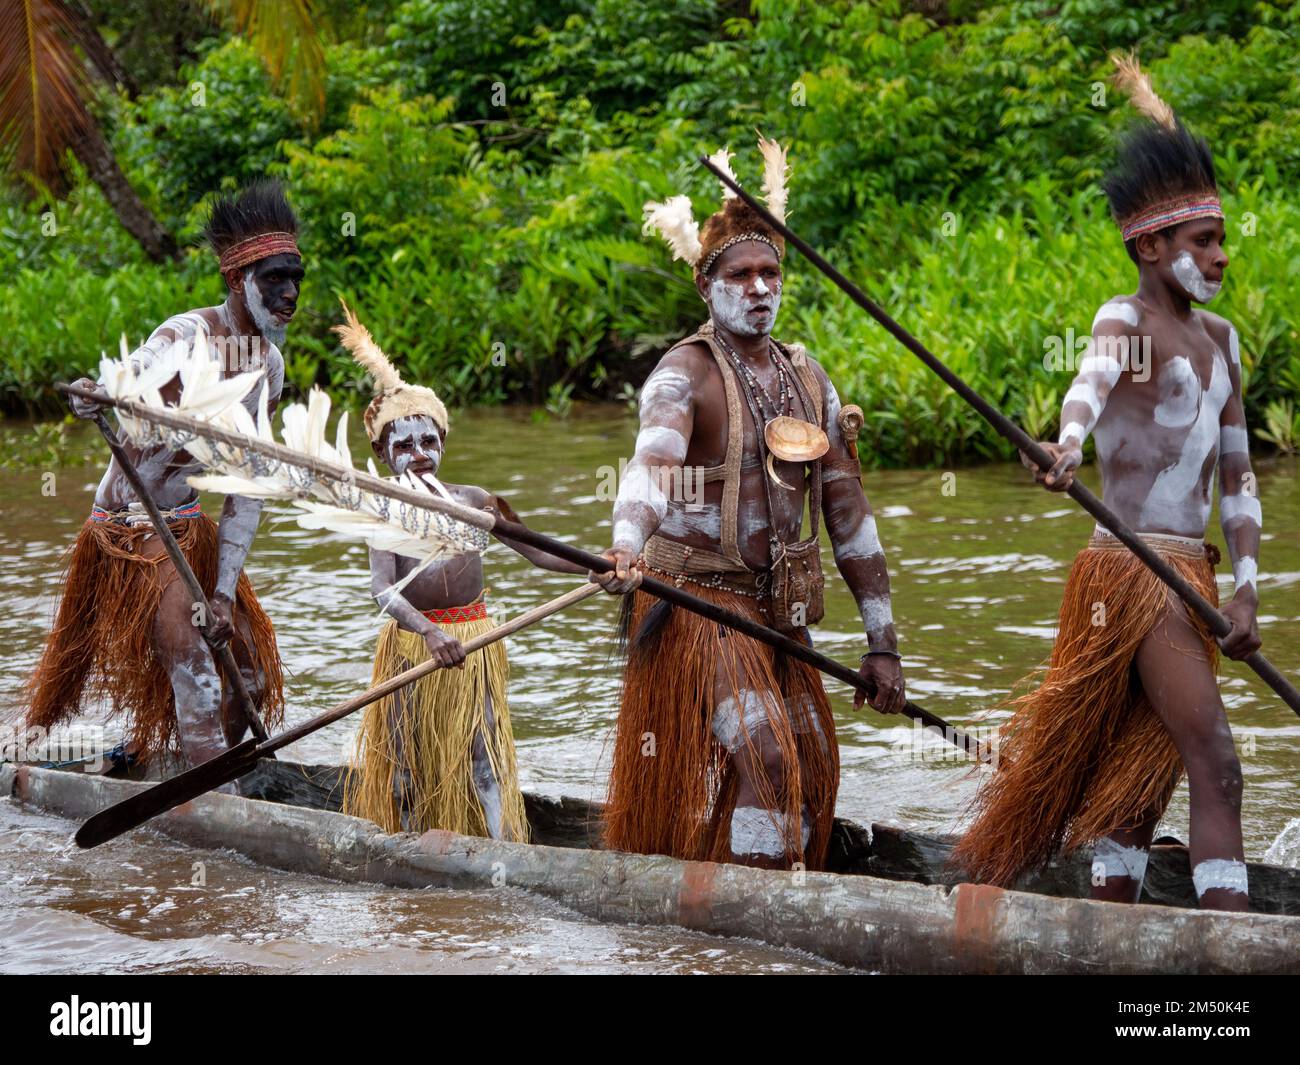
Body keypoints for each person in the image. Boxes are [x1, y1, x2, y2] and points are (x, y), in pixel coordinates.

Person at [952, 57, 1261, 911]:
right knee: (1218, 762)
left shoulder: (1225, 341)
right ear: (1150, 244)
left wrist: (1244, 593)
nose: (1221, 257)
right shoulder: (1124, 321)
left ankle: (1104, 924)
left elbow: (1237, 475)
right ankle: (1232, 949)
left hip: (1189, 574)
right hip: (1127, 572)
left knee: (1140, 774)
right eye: (1204, 242)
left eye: (1223, 239)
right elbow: (1088, 386)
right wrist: (1064, 446)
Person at [592, 137, 906, 871]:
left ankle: (758, 890)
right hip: (696, 605)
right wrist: (626, 543)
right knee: (768, 756)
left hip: (779, 613)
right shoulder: (684, 374)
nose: (761, 286)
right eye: (742, 274)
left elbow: (848, 512)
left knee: (815, 762)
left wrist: (882, 642)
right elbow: (652, 465)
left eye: (771, 271)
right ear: (708, 286)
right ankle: (748, 924)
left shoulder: (808, 376)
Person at [25, 179, 300, 770]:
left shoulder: (270, 366)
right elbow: (135, 371)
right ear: (236, 282)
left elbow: (244, 489)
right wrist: (101, 394)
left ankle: (199, 773)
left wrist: (225, 595)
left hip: (188, 525)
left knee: (248, 672)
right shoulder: (186, 335)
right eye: (274, 279)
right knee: (197, 670)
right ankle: (207, 808)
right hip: (131, 527)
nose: (290, 294)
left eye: (295, 278)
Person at [334, 303, 584, 839]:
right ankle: (404, 844)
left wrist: (597, 570)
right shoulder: (382, 510)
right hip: (413, 648)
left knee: (483, 753)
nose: (419, 454)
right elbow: (382, 591)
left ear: (443, 443)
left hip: (473, 641)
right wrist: (426, 631)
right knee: (403, 762)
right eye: (404, 445)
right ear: (383, 453)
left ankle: (499, 846)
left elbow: (537, 550)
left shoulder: (474, 501)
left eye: (429, 442)